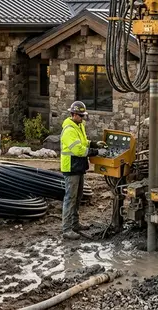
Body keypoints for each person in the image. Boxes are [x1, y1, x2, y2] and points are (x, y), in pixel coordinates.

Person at [60, 101, 107, 240]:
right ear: (73, 114)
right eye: (80, 116)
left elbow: (83, 142)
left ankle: (75, 224)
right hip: (71, 167)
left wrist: (94, 143)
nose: (82, 118)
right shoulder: (69, 130)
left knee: (78, 197)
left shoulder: (78, 126)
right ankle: (67, 229)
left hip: (78, 166)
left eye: (82, 115)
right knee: (70, 198)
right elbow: (78, 150)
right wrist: (96, 152)